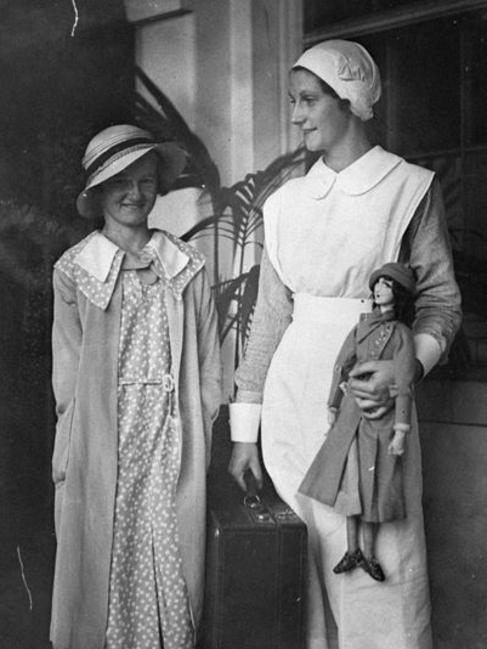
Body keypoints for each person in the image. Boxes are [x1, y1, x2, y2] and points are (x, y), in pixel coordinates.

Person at [228, 40, 461, 649]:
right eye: (292, 101)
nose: (297, 115)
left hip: (371, 406)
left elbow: (441, 303)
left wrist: (404, 370)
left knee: (378, 572)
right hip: (289, 407)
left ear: (351, 101)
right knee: (299, 576)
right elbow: (269, 319)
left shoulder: (408, 188)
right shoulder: (283, 205)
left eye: (309, 101)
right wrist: (244, 432)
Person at [49, 124, 222, 649]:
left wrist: (201, 430)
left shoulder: (186, 266)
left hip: (171, 435)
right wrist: (71, 449)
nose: (134, 193)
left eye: (145, 181)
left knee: (170, 556)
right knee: (107, 554)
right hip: (104, 439)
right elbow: (69, 377)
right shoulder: (76, 272)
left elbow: (209, 364)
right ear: (98, 191)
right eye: (120, 182)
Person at [299, 262, 418, 584]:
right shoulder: (360, 327)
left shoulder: (403, 334)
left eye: (388, 285)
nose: (380, 289)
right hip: (351, 413)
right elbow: (342, 364)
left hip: (382, 417)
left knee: (375, 485)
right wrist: (332, 404)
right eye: (378, 283)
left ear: (399, 294)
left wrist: (401, 431)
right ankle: (352, 550)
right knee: (350, 482)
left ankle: (369, 552)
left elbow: (404, 383)